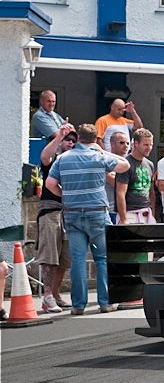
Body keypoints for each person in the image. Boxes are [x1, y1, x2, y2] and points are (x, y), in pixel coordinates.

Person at [45, 123, 130, 315]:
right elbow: (125, 165)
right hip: (97, 213)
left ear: (79, 138)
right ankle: (105, 302)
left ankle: (78, 305)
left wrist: (65, 195)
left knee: (77, 259)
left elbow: (50, 184)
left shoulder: (63, 158)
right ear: (94, 139)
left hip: (72, 212)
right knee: (102, 258)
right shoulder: (99, 156)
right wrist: (102, 150)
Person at [37, 123, 76, 313]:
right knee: (50, 255)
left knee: (64, 257)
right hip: (50, 211)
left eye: (73, 141)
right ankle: (47, 296)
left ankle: (56, 293)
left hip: (69, 213)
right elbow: (44, 157)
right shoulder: (54, 160)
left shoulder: (75, 162)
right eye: (68, 140)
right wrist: (59, 135)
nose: (70, 143)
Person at [116, 128, 156, 224]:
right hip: (130, 213)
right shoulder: (125, 164)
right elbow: (120, 193)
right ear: (136, 144)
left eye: (151, 145)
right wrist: (123, 218)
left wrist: (153, 213)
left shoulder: (150, 164)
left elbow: (151, 192)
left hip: (147, 213)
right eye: (146, 144)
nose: (149, 148)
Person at [106, 131, 130, 221]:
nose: (126, 146)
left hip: (127, 210)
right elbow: (114, 183)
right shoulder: (105, 161)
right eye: (122, 143)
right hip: (110, 210)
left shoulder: (129, 162)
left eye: (127, 143)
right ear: (112, 144)